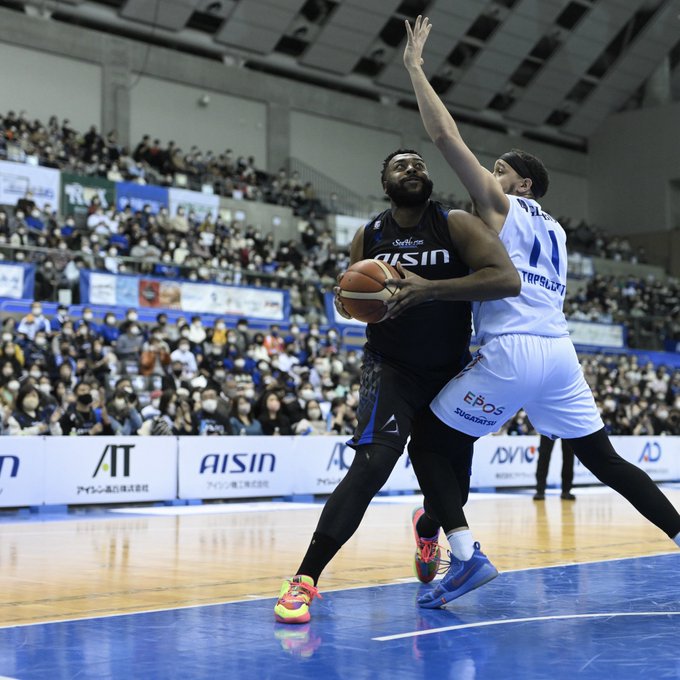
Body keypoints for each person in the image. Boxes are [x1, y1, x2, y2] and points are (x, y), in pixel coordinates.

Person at [394, 15, 680, 608]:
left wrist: (416, 68)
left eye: (500, 170)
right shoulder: (559, 231)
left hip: (513, 349)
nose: (489, 175)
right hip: (558, 353)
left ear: (522, 185)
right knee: (605, 459)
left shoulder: (504, 207)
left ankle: (465, 557)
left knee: (426, 442)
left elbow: (444, 136)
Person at [273, 148, 520, 624]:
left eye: (419, 164)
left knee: (454, 494)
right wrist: (349, 300)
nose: (412, 169)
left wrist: (428, 288)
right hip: (390, 366)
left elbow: (506, 279)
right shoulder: (369, 235)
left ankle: (427, 530)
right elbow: (354, 298)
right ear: (385, 183)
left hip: (451, 371)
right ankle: (303, 579)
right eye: (400, 165)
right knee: (372, 464)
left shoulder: (455, 224)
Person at [534, 435, 575, 501]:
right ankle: (540, 490)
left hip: (567, 428)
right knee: (544, 454)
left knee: (569, 455)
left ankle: (566, 490)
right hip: (550, 428)